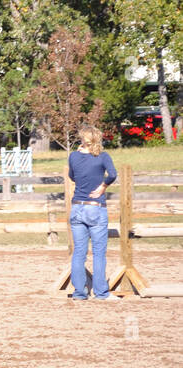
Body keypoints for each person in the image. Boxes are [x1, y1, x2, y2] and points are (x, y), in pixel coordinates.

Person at [67, 126, 119, 301]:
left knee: (79, 253)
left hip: (77, 207)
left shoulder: (73, 156)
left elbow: (72, 176)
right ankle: (101, 292)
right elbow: (112, 174)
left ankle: (79, 292)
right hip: (95, 207)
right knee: (98, 252)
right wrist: (103, 186)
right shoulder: (103, 156)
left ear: (82, 139)